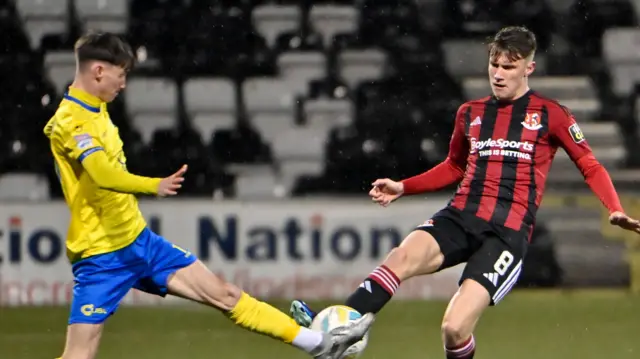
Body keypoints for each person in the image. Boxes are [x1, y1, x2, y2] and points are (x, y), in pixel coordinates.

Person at [289, 26, 640, 359]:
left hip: (506, 233)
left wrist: (613, 207)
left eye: (509, 67)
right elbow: (455, 167)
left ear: (528, 68)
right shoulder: (469, 113)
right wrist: (404, 186)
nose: (498, 74)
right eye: (494, 65)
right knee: (400, 258)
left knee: (454, 329)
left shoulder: (551, 115)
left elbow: (590, 164)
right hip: (459, 215)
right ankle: (337, 327)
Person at [44, 31, 373, 359]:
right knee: (78, 356)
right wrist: (152, 185)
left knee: (226, 295)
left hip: (139, 242)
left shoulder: (96, 108)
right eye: (122, 74)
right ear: (99, 71)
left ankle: (321, 346)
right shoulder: (71, 121)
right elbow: (102, 174)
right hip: (101, 256)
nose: (124, 84)